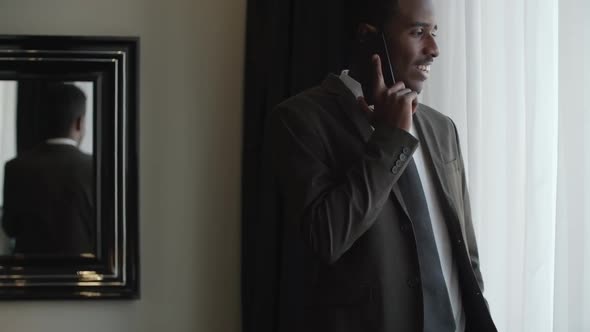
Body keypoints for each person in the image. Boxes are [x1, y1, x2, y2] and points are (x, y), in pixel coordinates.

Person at [263, 0, 497, 330]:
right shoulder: (300, 120)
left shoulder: (442, 128)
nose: (434, 49)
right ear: (369, 38)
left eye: (435, 33)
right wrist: (390, 140)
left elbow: (464, 253)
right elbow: (328, 238)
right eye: (418, 32)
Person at [2, 82, 94, 256]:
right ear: (79, 123)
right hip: (82, 276)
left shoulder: (15, 167)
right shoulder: (95, 168)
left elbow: (10, 228)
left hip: (30, 275)